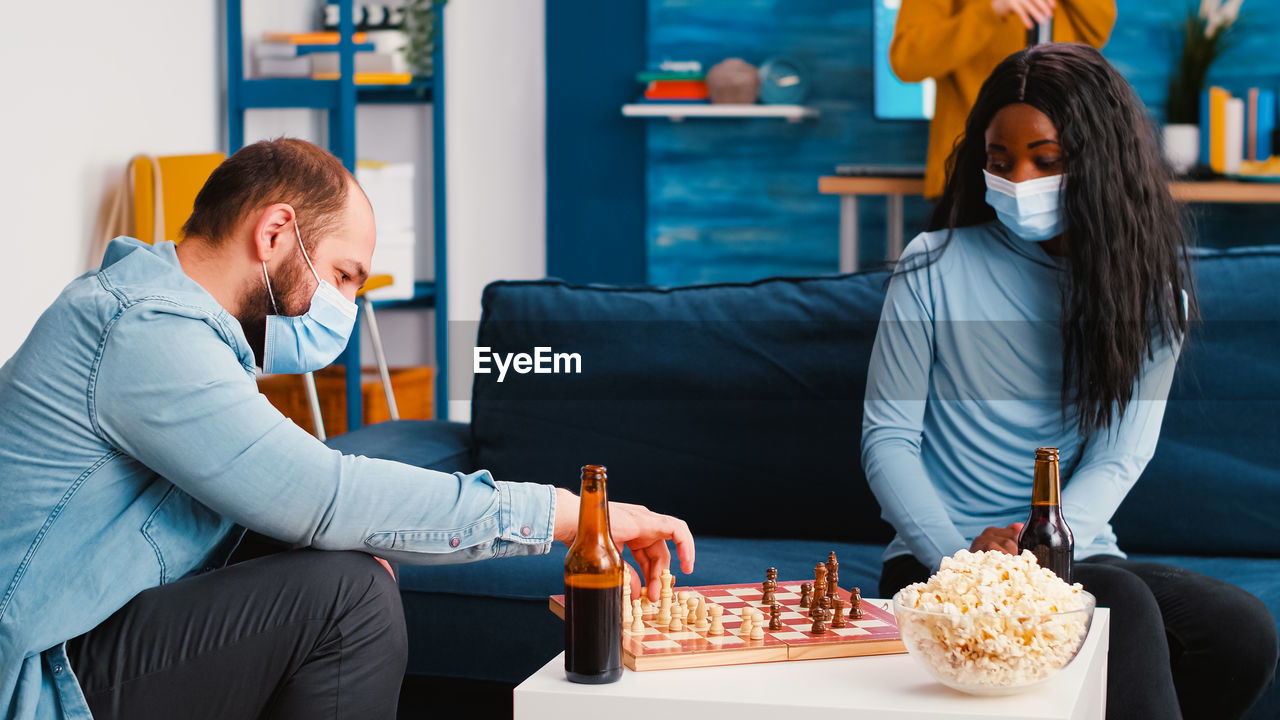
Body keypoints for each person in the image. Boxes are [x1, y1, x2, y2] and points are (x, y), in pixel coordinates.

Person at [0, 138, 695, 720]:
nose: (347, 308)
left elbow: (263, 514)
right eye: (343, 276)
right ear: (274, 235)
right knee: (347, 598)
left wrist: (357, 541)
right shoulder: (144, 329)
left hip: (83, 638)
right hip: (33, 679)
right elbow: (322, 492)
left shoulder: (168, 328)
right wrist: (570, 515)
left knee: (348, 567)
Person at [862, 44, 1277, 718]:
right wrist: (964, 562)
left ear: (1098, 161)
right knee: (1123, 602)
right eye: (999, 161)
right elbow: (888, 441)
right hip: (940, 562)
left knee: (1240, 630)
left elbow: (1121, 453)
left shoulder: (1150, 289)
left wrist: (1036, 558)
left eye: (1045, 161)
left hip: (1073, 549)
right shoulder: (931, 265)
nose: (1017, 179)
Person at [890, 0, 1116, 199]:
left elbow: (1099, 29)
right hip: (971, 174)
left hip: (1064, 172)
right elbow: (907, 60)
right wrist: (991, 10)